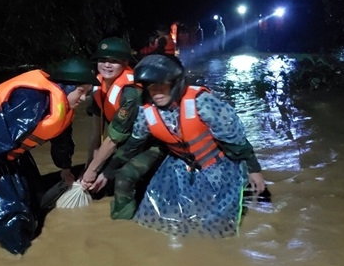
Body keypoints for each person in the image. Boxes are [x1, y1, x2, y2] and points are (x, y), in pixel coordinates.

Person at [0, 56, 99, 255]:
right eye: (81, 91)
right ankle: (17, 258)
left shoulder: (63, 107)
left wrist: (65, 171)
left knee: (34, 197)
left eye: (87, 92)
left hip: (8, 149)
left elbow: (62, 143)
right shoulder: (33, 99)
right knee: (15, 220)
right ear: (65, 86)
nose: (83, 98)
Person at [105, 54, 267, 237]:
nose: (156, 92)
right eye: (151, 87)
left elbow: (237, 143)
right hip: (180, 167)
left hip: (218, 167)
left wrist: (254, 170)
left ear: (175, 84)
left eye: (162, 85)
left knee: (215, 229)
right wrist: (106, 172)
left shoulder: (203, 103)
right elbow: (132, 146)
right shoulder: (146, 112)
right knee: (164, 220)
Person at [79, 37, 166, 218]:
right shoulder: (98, 85)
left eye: (114, 61)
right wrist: (90, 163)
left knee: (122, 178)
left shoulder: (131, 92)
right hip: (123, 138)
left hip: (150, 143)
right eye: (103, 60)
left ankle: (123, 222)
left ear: (125, 63)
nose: (107, 65)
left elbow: (114, 140)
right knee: (97, 172)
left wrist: (100, 171)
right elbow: (97, 131)